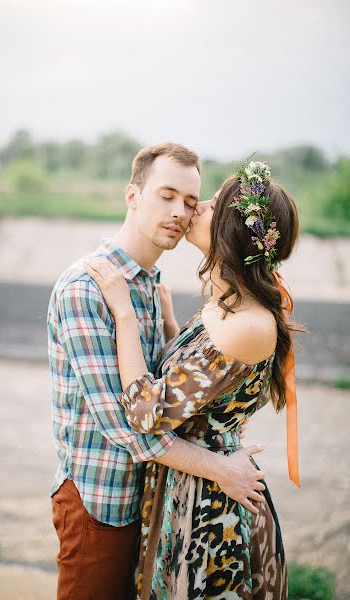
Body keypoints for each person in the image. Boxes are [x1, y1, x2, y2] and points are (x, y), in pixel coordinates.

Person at [47, 144, 268, 600]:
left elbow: (160, 389)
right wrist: (220, 469)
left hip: (152, 501)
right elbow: (124, 427)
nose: (180, 212)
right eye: (166, 195)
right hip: (101, 500)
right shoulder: (86, 288)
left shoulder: (149, 284)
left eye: (190, 202)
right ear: (132, 195)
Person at [86, 158, 301, 599]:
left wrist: (125, 315)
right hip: (189, 483)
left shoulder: (246, 323)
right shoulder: (227, 304)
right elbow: (198, 389)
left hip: (212, 509)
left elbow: (147, 413)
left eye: (209, 203)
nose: (194, 208)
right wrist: (171, 326)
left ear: (230, 232)